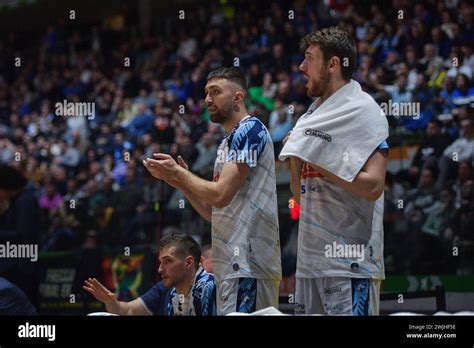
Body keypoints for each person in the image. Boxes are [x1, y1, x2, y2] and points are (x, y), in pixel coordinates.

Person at [143, 67, 282, 315]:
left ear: (238, 98)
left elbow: (220, 194)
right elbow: (213, 211)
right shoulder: (225, 143)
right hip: (230, 264)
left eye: (215, 92)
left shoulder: (250, 130)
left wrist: (180, 174)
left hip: (250, 263)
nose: (208, 99)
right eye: (206, 93)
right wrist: (182, 183)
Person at [284, 27, 388, 315]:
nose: (301, 67)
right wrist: (296, 161)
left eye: (309, 59)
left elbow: (373, 186)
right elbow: (300, 199)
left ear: (333, 64)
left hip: (350, 264)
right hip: (309, 263)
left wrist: (316, 158)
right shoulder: (310, 116)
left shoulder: (364, 110)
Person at [83, 234, 216, 315]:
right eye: (160, 262)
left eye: (168, 261)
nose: (160, 269)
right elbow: (127, 311)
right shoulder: (166, 288)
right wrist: (111, 302)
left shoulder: (213, 287)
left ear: (188, 262)